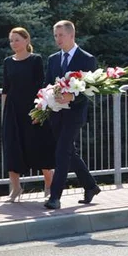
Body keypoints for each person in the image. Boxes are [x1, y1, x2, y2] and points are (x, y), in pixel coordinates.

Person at [42, 20, 101, 210]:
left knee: (61, 152)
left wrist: (71, 97)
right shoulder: (53, 59)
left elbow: (90, 89)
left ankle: (55, 196)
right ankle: (90, 186)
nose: (57, 39)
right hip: (56, 114)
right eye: (55, 35)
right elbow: (48, 84)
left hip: (75, 114)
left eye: (61, 35)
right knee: (68, 152)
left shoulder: (86, 58)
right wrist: (46, 102)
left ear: (71, 35)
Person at [1, 27, 54, 201]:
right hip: (13, 111)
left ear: (26, 40)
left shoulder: (35, 60)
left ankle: (48, 185)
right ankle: (16, 188)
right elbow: (6, 88)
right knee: (12, 147)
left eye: (17, 39)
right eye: (11, 40)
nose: (13, 43)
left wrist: (41, 110)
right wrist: (4, 112)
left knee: (38, 146)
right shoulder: (7, 61)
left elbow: (41, 85)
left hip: (33, 109)